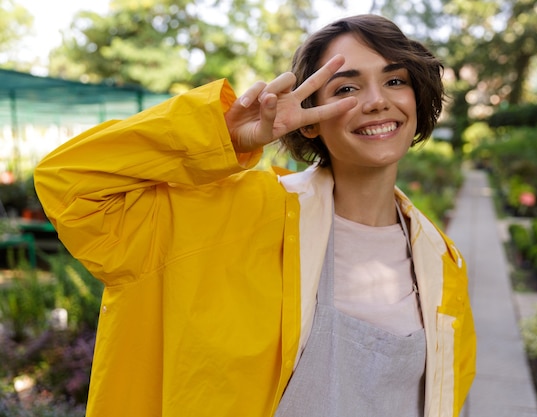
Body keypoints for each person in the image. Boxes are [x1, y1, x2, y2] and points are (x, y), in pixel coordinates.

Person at [34, 14, 475, 417]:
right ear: (310, 120)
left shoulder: (442, 263)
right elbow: (69, 182)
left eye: (395, 80)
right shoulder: (225, 217)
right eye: (346, 88)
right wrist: (221, 133)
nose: (377, 101)